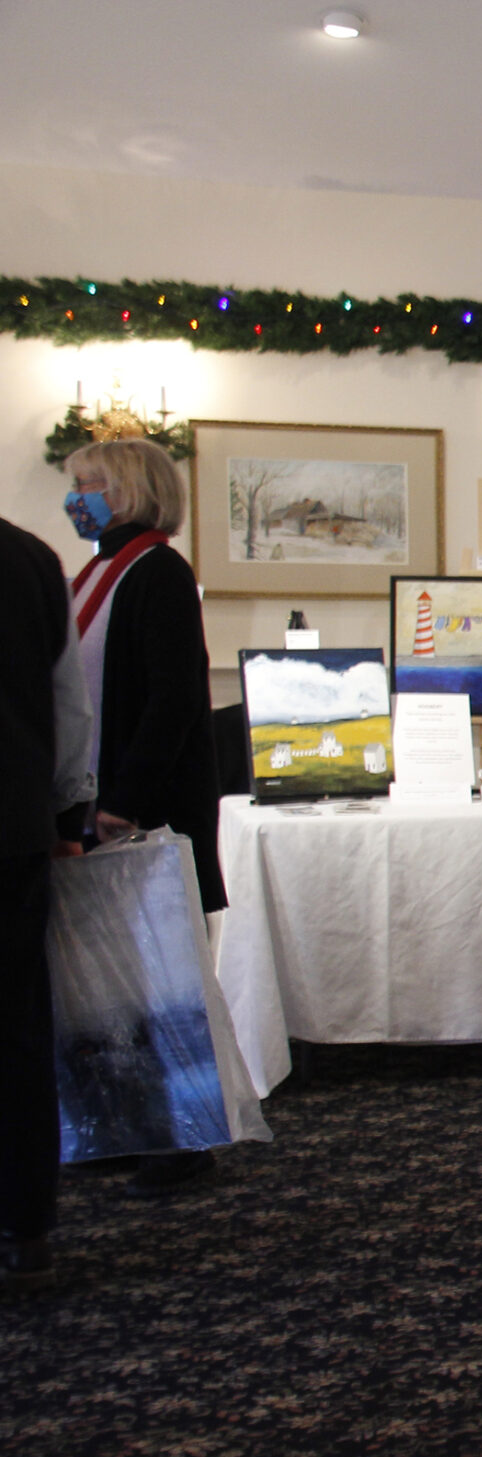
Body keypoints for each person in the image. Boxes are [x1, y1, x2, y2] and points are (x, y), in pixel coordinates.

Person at [61, 439, 225, 1199]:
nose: (78, 498)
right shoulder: (97, 570)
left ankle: (181, 1140)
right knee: (111, 984)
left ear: (129, 491)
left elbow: (172, 698)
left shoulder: (157, 569)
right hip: (97, 800)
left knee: (161, 983)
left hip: (142, 807)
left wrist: (123, 797)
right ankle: (123, 1126)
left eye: (90, 484)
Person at [1, 516, 94, 1297]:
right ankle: (27, 1228)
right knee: (19, 1029)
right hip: (13, 828)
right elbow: (70, 708)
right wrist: (68, 817)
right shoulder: (31, 559)